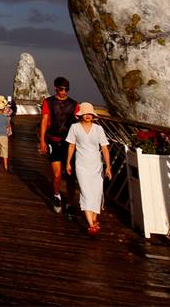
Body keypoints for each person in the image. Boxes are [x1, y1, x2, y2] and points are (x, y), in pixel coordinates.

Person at [65, 102, 112, 235]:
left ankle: (94, 218)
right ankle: (91, 224)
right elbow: (71, 146)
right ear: (80, 115)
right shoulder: (75, 127)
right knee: (85, 192)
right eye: (85, 113)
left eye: (90, 114)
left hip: (96, 165)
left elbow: (104, 148)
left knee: (96, 192)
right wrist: (68, 162)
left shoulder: (98, 129)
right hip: (81, 164)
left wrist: (108, 166)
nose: (88, 116)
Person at [38, 76, 79, 218]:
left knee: (70, 176)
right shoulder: (48, 102)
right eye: (62, 89)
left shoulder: (74, 104)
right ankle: (56, 196)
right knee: (56, 175)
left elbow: (79, 124)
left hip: (69, 144)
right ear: (55, 88)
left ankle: (69, 203)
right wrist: (42, 141)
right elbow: (44, 122)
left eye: (67, 89)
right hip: (53, 141)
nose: (64, 92)